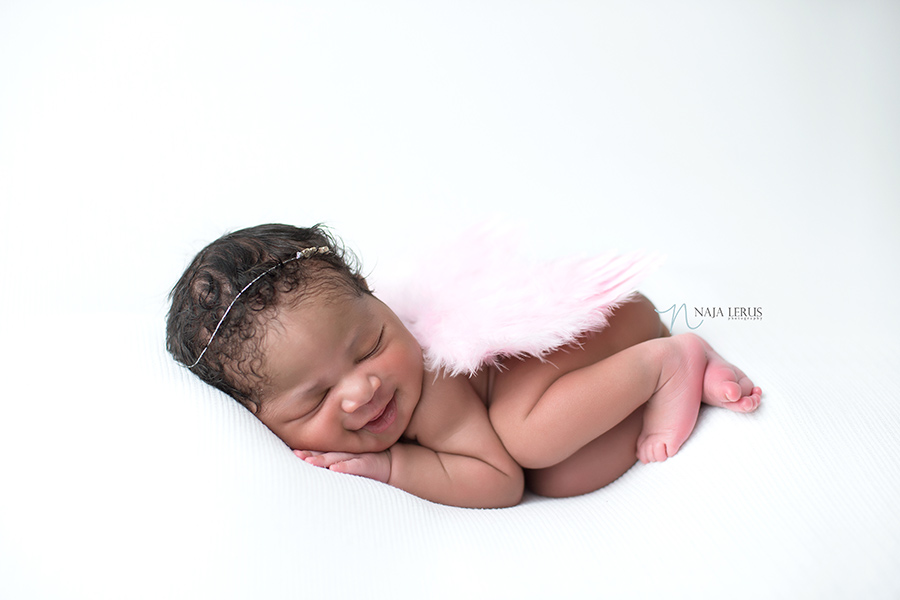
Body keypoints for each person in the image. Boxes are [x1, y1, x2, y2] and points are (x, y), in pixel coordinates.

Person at [167, 223, 761, 508]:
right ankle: (675, 376)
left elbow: (498, 484)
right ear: (256, 416)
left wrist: (394, 465)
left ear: (377, 300)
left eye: (371, 345)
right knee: (562, 476)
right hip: (586, 360)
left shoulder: (429, 385)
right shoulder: (360, 379)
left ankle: (668, 361)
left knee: (524, 440)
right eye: (316, 398)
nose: (363, 389)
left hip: (600, 325)